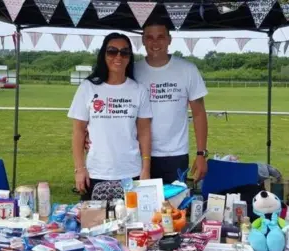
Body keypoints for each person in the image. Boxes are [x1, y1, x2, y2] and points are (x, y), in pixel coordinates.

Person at [86, 18, 209, 184]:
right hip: (138, 155)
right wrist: (90, 133)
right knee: (139, 207)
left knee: (172, 206)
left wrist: (201, 154)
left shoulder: (188, 70)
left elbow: (199, 113)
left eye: (161, 37)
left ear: (169, 39)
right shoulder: (131, 70)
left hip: (174, 154)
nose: (155, 42)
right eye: (149, 37)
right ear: (143, 40)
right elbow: (111, 102)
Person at [67, 32, 152, 251]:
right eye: (112, 51)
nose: (118, 56)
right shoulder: (88, 88)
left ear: (129, 58)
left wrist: (145, 169)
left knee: (123, 242)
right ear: (103, 55)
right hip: (96, 173)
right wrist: (79, 168)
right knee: (87, 241)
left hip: (130, 175)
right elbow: (78, 132)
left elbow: (144, 132)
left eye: (124, 52)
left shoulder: (138, 90)